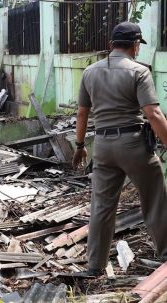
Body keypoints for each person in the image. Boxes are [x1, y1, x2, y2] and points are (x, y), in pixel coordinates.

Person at [72, 21, 167, 277]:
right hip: (133, 144)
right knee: (155, 199)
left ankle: (94, 266)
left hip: (102, 146)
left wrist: (80, 146)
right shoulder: (139, 72)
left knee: (101, 205)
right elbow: (154, 113)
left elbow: (82, 114)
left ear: (111, 45)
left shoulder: (89, 72)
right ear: (136, 46)